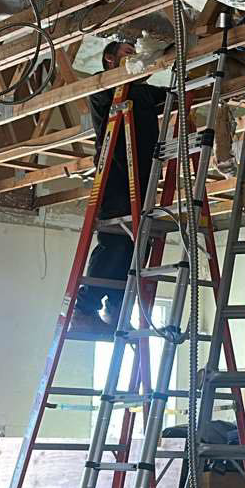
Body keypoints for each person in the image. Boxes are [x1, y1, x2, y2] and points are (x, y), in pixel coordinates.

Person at [71, 41, 167, 337]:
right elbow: (120, 90)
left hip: (143, 176)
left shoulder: (143, 93)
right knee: (115, 242)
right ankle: (85, 310)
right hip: (116, 176)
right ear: (109, 59)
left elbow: (170, 96)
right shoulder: (104, 86)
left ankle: (116, 308)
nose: (135, 57)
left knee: (137, 246)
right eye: (128, 53)